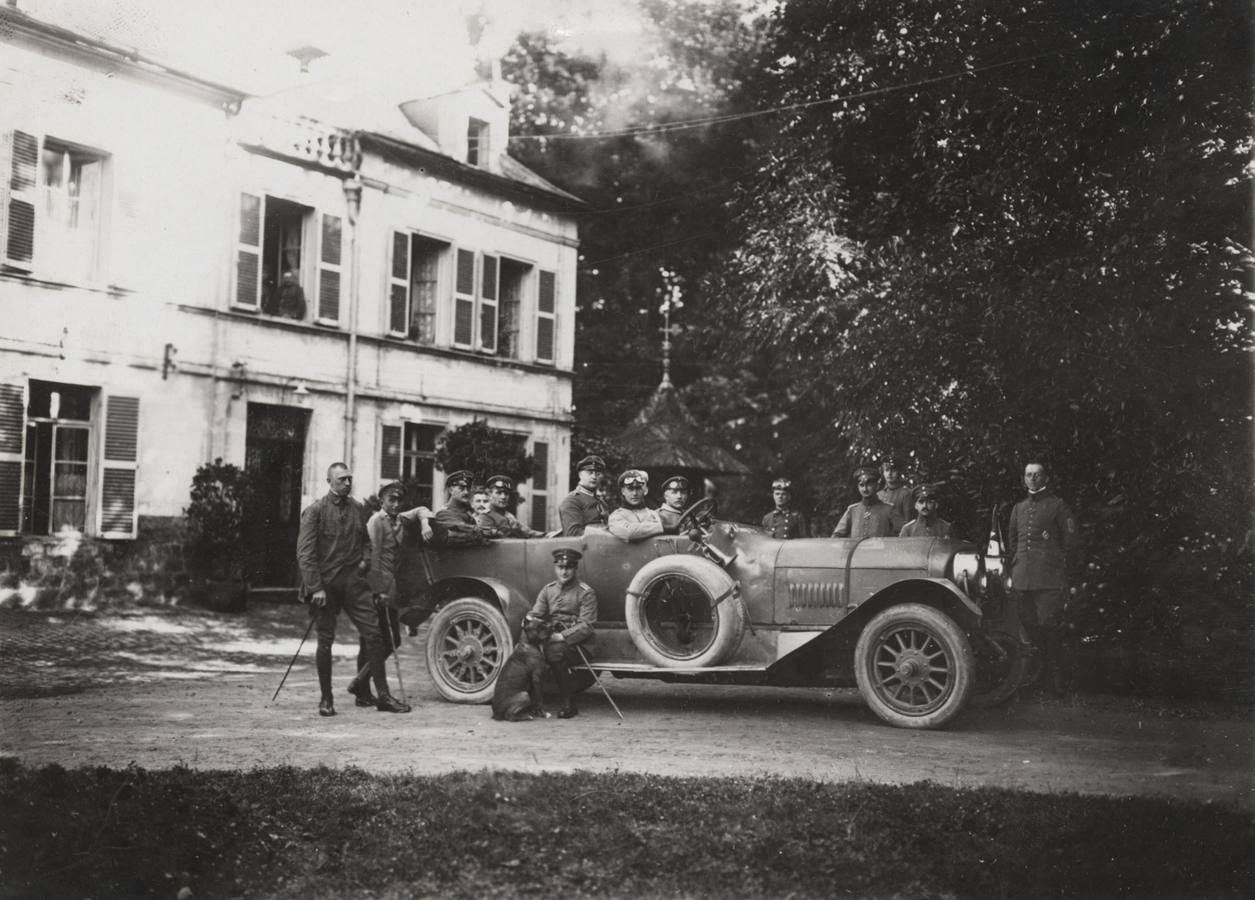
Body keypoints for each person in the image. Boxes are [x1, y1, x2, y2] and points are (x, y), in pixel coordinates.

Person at [296, 462, 411, 716]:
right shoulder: (315, 511)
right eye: (341, 479)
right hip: (325, 586)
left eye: (349, 478)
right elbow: (305, 554)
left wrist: (364, 562)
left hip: (354, 584)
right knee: (325, 641)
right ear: (329, 481)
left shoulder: (359, 509)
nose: (347, 483)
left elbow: (366, 543)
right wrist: (315, 587)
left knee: (374, 634)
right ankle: (326, 700)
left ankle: (382, 696)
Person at [345, 482, 435, 706]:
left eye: (398, 500)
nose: (395, 504)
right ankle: (360, 683)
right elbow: (372, 557)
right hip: (377, 588)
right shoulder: (376, 521)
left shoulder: (400, 519)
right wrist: (377, 592)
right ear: (381, 501)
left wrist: (425, 523)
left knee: (373, 641)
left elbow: (421, 509)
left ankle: (362, 692)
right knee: (387, 639)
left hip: (392, 589)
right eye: (391, 500)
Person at [1007, 460, 1080, 695]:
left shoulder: (1057, 506)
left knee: (1050, 627)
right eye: (1028, 475)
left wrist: (1060, 569)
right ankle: (1037, 675)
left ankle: (1055, 678)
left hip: (1049, 578)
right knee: (1029, 626)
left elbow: (1071, 541)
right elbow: (1013, 542)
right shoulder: (1018, 508)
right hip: (1023, 577)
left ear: (1045, 478)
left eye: (1037, 475)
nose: (1033, 479)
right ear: (1024, 479)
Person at [530, 548, 598, 718]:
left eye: (568, 567)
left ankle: (568, 703)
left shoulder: (585, 592)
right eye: (560, 567)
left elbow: (587, 625)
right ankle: (531, 700)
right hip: (552, 637)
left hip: (579, 644)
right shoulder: (548, 590)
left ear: (575, 569)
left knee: (554, 653)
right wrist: (531, 620)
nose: (564, 572)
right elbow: (536, 613)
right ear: (555, 568)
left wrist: (562, 636)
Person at [832, 466, 904, 539]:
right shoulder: (852, 510)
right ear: (858, 487)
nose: (865, 489)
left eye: (869, 485)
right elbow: (837, 535)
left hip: (880, 550)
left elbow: (903, 534)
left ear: (877, 486)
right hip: (857, 550)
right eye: (861, 485)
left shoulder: (889, 509)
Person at [431, 470, 491, 546]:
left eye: (468, 488)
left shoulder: (468, 515)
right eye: (461, 488)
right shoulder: (444, 514)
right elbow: (465, 530)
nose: (466, 492)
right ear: (451, 490)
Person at [477, 474, 546, 538]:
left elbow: (528, 533)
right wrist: (513, 531)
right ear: (489, 495)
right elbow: (493, 543)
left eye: (506, 493)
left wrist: (547, 535)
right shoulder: (485, 517)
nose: (503, 497)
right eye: (499, 493)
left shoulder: (509, 516)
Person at [608, 469, 665, 542]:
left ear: (645, 490)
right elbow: (629, 533)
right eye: (630, 489)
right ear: (623, 491)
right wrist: (659, 527)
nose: (634, 493)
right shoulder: (615, 516)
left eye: (638, 488)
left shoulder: (653, 514)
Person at [559, 455, 608, 536]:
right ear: (580, 475)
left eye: (598, 473)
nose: (594, 477)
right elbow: (573, 534)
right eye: (590, 473)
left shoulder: (602, 502)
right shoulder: (572, 501)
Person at [878, 456, 915, 526]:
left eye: (893, 470)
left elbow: (909, 524)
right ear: (882, 472)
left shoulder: (906, 494)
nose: (890, 473)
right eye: (886, 470)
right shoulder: (879, 495)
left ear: (899, 472)